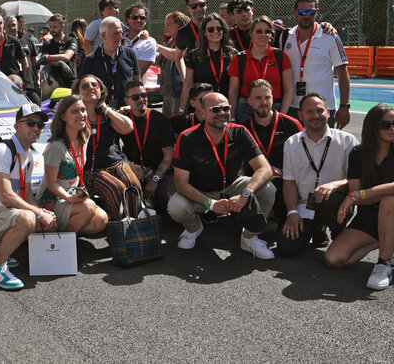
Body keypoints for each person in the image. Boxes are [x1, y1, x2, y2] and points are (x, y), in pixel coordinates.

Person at [168, 92, 276, 259]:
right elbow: (181, 184)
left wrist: (245, 194)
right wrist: (211, 204)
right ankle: (194, 228)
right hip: (200, 191)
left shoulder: (240, 132)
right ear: (203, 113)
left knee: (268, 188)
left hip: (232, 186)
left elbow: (265, 169)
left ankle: (249, 237)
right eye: (215, 109)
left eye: (226, 108)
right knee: (175, 205)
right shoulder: (187, 137)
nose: (222, 113)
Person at [0, 103, 56, 290]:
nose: (36, 128)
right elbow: (6, 196)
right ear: (17, 126)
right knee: (28, 218)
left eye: (40, 125)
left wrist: (43, 213)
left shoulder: (28, 156)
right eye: (31, 123)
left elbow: (27, 195)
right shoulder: (3, 151)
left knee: (40, 220)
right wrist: (37, 213)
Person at [276, 92, 356, 257]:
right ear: (300, 115)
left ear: (328, 111)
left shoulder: (348, 141)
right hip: (305, 204)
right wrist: (292, 212)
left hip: (336, 203)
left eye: (320, 111)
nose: (316, 116)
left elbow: (357, 181)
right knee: (286, 248)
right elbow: (289, 182)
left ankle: (337, 232)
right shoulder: (291, 143)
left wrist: (335, 184)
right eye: (309, 112)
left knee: (329, 199)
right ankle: (317, 229)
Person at [328, 104, 394, 290]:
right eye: (386, 125)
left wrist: (358, 194)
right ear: (373, 126)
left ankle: (384, 263)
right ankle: (384, 240)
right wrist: (357, 196)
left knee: (390, 199)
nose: (392, 128)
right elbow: (360, 200)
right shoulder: (358, 154)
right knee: (333, 259)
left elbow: (358, 195)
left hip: (392, 213)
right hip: (369, 217)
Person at [36, 95, 108, 234]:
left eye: (83, 110)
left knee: (101, 220)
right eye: (75, 111)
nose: (81, 115)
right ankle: (60, 243)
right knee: (88, 208)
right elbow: (52, 185)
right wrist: (69, 198)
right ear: (63, 117)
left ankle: (59, 232)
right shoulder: (56, 147)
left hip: (72, 194)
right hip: (51, 199)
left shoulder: (83, 140)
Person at [72, 75, 138, 220]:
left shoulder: (108, 113)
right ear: (78, 92)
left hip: (115, 162)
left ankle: (134, 224)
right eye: (85, 86)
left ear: (101, 90)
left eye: (94, 85)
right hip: (90, 168)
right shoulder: (73, 115)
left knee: (132, 184)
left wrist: (104, 108)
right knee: (115, 188)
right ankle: (121, 225)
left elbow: (128, 128)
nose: (90, 88)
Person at [283, 0, 350, 129]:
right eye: (302, 12)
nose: (306, 16)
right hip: (294, 107)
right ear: (294, 13)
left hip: (322, 108)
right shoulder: (285, 36)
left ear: (317, 12)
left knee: (324, 148)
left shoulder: (330, 37)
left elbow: (343, 74)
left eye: (311, 12)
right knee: (296, 148)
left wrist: (344, 106)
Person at [239, 79, 303, 222]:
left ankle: (282, 219)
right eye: (258, 98)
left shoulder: (291, 125)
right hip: (254, 181)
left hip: (286, 179)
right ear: (249, 101)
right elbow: (239, 165)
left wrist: (284, 172)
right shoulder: (243, 129)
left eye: (267, 97)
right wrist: (265, 170)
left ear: (273, 98)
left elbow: (304, 159)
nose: (264, 102)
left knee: (278, 183)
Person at [120, 81, 176, 214]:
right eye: (135, 97)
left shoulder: (160, 119)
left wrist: (155, 180)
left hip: (159, 172)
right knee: (128, 205)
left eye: (144, 95)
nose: (141, 100)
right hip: (131, 169)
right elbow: (113, 149)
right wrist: (127, 164)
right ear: (127, 101)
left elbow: (169, 154)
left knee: (173, 204)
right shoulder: (122, 120)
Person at [227, 16, 293, 123]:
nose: (263, 34)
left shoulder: (280, 56)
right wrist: (232, 117)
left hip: (274, 106)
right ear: (251, 34)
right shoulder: (239, 58)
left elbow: (288, 89)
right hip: (245, 108)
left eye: (267, 31)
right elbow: (233, 91)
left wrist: (282, 115)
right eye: (259, 31)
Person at [79, 16, 140, 107]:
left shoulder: (130, 54)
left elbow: (137, 81)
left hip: (126, 110)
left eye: (121, 33)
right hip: (101, 111)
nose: (120, 37)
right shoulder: (91, 59)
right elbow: (79, 85)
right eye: (115, 34)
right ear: (103, 35)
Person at [178, 13, 234, 113]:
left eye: (219, 28)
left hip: (224, 107)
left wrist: (233, 114)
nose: (215, 32)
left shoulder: (233, 54)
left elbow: (234, 88)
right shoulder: (194, 55)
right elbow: (188, 84)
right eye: (211, 29)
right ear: (204, 33)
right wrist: (182, 110)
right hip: (202, 108)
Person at [156, 11, 189, 116]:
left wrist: (156, 46)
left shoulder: (186, 40)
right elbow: (160, 61)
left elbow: (177, 55)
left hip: (178, 91)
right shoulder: (171, 41)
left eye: (169, 25)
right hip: (167, 91)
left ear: (178, 23)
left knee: (176, 120)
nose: (166, 29)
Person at [4, 15, 40, 104]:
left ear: (17, 25)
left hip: (28, 83)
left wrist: (38, 78)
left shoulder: (28, 40)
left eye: (14, 25)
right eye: (9, 26)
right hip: (11, 84)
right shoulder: (3, 42)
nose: (12, 28)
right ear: (4, 27)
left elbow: (34, 60)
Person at [38, 13, 77, 88]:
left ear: (62, 27)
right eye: (50, 27)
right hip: (52, 82)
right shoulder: (47, 43)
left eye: (54, 27)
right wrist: (59, 63)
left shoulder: (71, 40)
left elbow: (67, 57)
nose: (51, 29)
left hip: (69, 82)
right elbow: (44, 61)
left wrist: (48, 57)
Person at [123, 2, 157, 82]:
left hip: (131, 89)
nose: (138, 20)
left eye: (142, 18)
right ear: (127, 20)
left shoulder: (148, 43)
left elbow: (137, 74)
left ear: (145, 21)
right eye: (134, 17)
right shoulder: (118, 38)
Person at [172, 0, 208, 67]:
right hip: (195, 76)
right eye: (194, 6)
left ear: (206, 5)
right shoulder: (183, 32)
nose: (198, 9)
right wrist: (184, 76)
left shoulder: (216, 27)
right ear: (188, 8)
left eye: (201, 5)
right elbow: (178, 57)